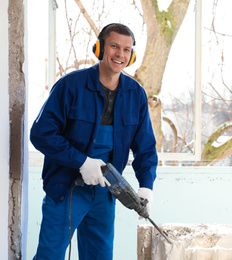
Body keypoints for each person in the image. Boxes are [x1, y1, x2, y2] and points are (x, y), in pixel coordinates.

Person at [30, 23, 158, 259]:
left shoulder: (135, 94)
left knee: (99, 256)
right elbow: (41, 134)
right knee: (50, 254)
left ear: (132, 56)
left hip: (107, 192)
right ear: (99, 48)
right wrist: (81, 162)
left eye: (127, 50)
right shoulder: (71, 86)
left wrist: (146, 186)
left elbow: (146, 148)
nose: (120, 54)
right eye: (114, 47)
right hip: (66, 188)